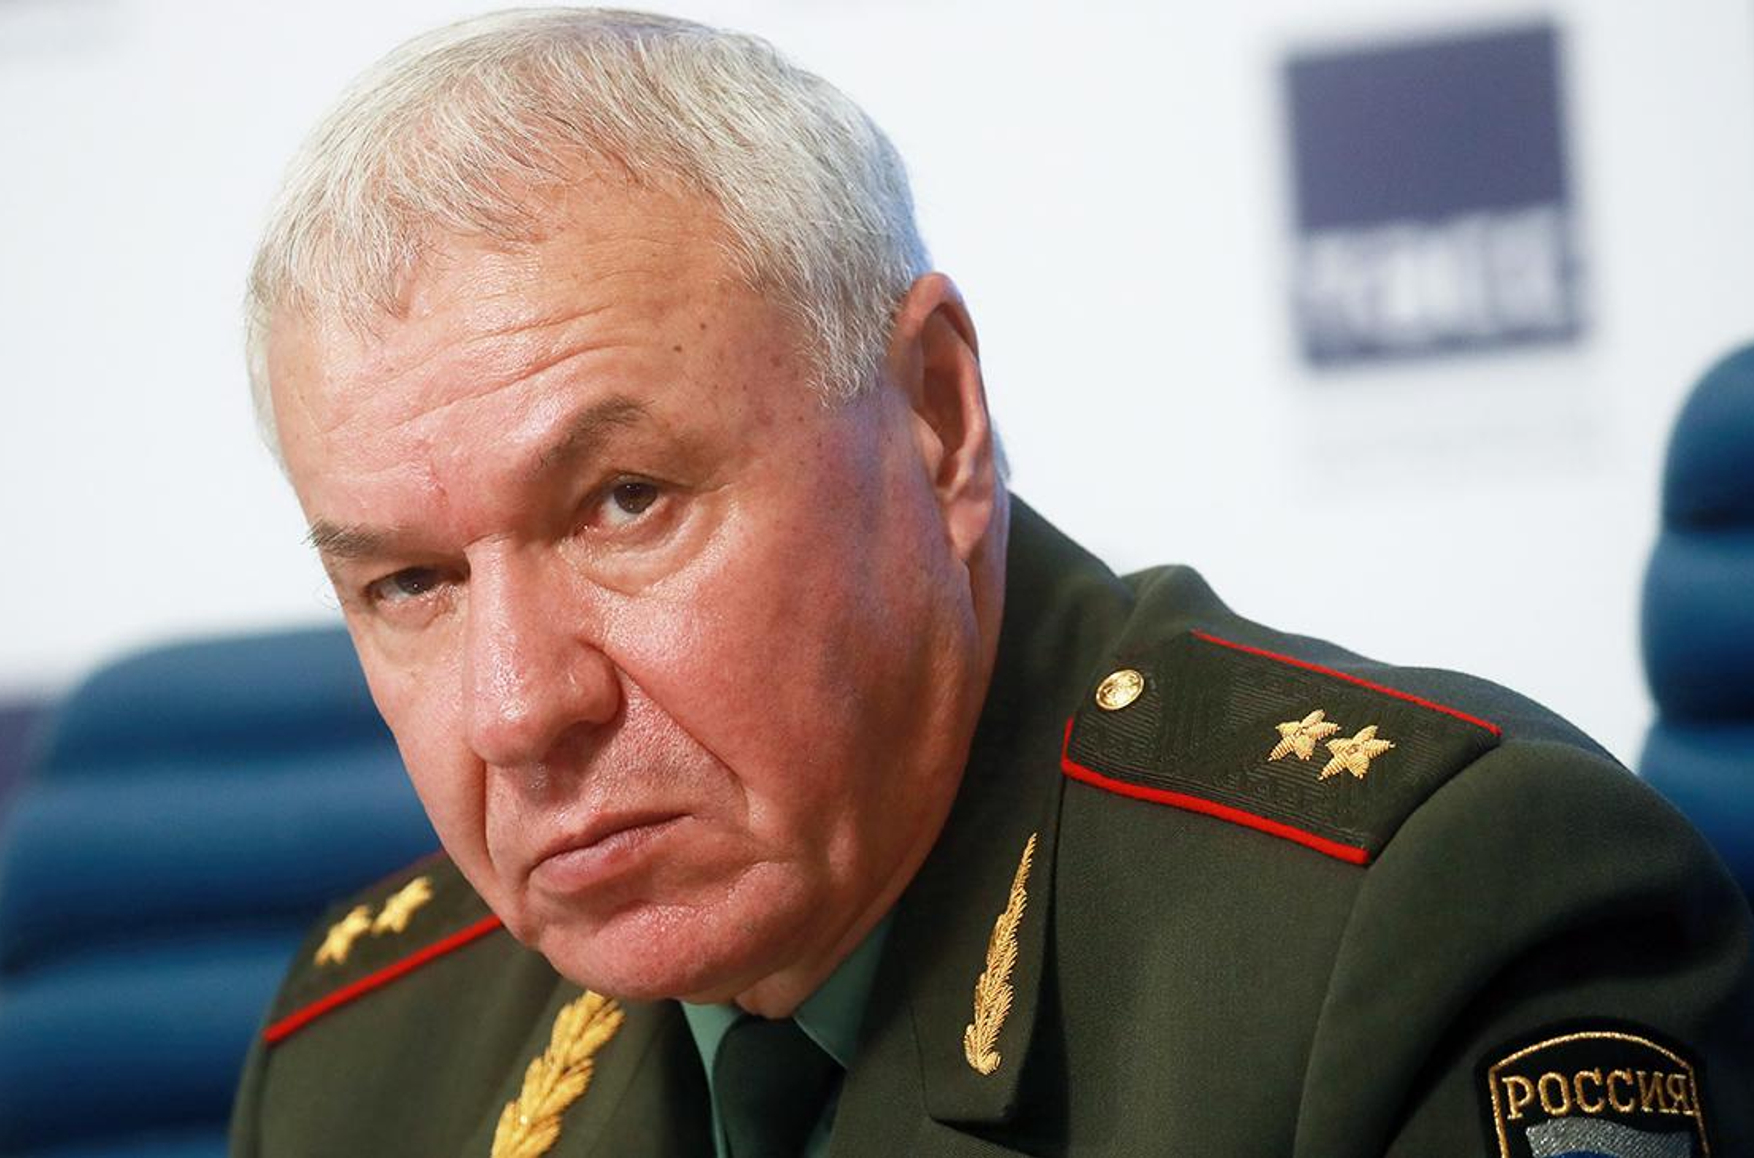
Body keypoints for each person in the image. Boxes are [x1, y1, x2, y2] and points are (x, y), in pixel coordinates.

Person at [229, 9, 1753, 1157]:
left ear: (936, 418)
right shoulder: (355, 1061)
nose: (517, 709)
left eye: (626, 503)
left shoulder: (1426, 922)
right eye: (410, 582)